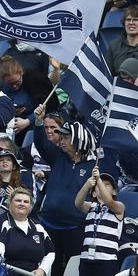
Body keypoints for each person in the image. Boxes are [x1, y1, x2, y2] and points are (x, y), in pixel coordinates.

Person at [33, 106, 117, 276]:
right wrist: (38, 121)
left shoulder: (94, 165)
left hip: (76, 227)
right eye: (61, 137)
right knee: (49, 268)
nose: (61, 141)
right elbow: (41, 143)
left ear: (79, 139)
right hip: (49, 223)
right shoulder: (57, 155)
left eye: (65, 138)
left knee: (73, 269)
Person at [0, 187, 55, 275]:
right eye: (18, 200)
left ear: (30, 207)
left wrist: (42, 270)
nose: (22, 204)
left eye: (26, 202)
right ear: (9, 203)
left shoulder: (38, 226)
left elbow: (50, 252)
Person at [0, 54, 59, 148]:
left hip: (36, 124)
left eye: (17, 82)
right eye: (10, 84)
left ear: (21, 73)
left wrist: (27, 121)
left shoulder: (35, 80)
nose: (14, 86)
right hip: (12, 125)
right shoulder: (3, 86)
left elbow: (48, 106)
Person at [75, 167, 124, 275]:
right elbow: (78, 203)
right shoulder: (90, 206)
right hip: (86, 258)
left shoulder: (119, 207)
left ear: (114, 191)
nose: (102, 186)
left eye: (107, 185)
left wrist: (98, 180)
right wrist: (87, 185)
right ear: (93, 194)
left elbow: (109, 202)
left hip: (107, 260)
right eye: (99, 185)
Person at [106, 5, 138, 75]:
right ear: (124, 23)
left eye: (135, 20)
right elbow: (108, 75)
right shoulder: (114, 45)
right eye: (128, 20)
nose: (131, 23)